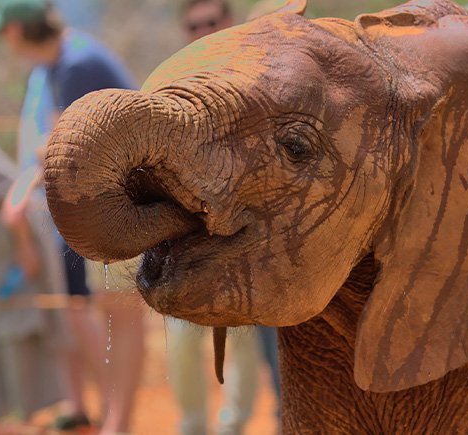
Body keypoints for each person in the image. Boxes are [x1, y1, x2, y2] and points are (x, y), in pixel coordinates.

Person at [0, 0, 144, 432]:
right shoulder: (56, 66)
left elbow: (66, 146)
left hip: (121, 205)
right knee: (94, 311)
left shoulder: (78, 66)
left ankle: (119, 423)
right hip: (95, 207)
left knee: (118, 313)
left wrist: (32, 171)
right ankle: (110, 418)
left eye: (5, 30)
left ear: (17, 29)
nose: (4, 39)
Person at [165, 1, 282, 433]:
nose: (202, 30)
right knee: (180, 340)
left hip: (243, 229)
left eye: (211, 22)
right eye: (194, 25)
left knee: (245, 342)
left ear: (227, 23)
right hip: (187, 232)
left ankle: (233, 425)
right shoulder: (173, 84)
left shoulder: (252, 80)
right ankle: (193, 424)